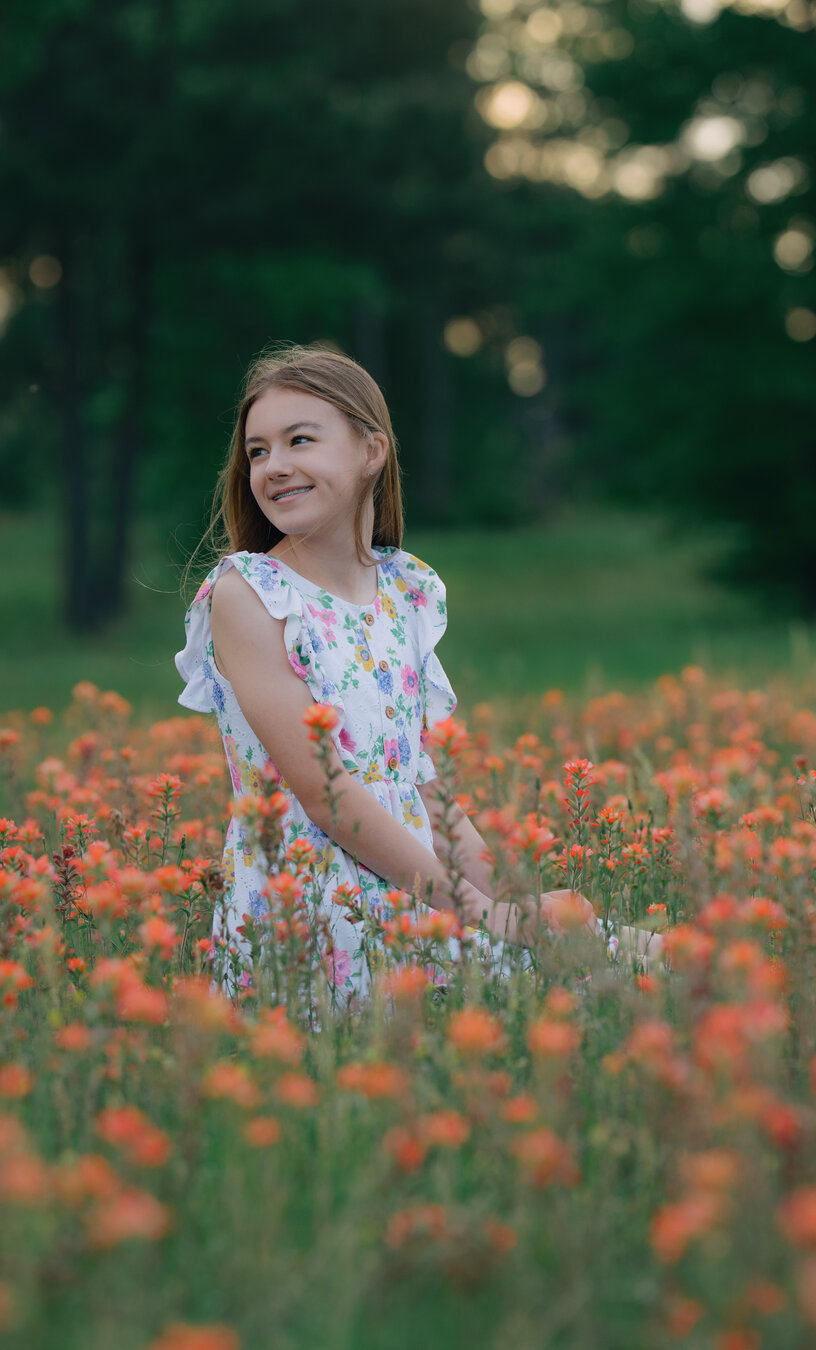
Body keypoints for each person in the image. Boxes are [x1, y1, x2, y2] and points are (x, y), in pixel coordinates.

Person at [176, 343, 659, 1003]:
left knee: (621, 947)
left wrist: (517, 906)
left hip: (415, 888)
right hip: (317, 913)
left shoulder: (404, 590)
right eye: (258, 451)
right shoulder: (248, 594)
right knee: (597, 973)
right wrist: (492, 919)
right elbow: (329, 799)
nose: (274, 467)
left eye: (299, 441)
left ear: (371, 451)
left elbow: (424, 790)